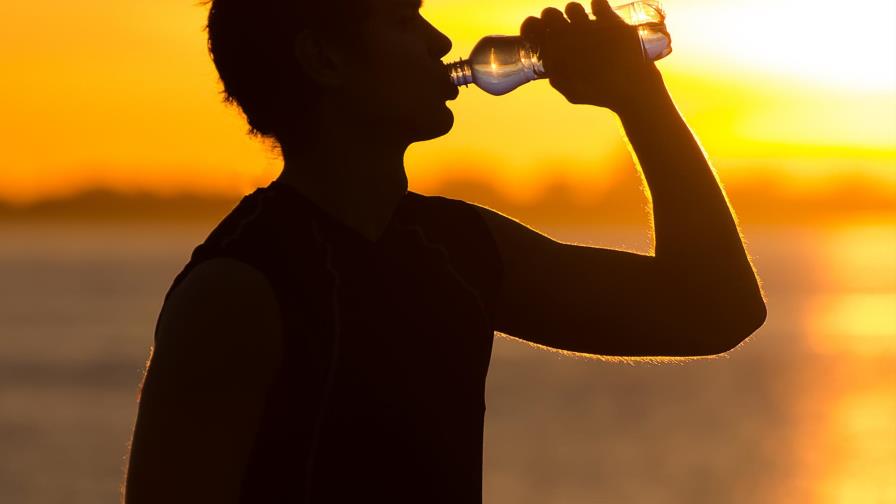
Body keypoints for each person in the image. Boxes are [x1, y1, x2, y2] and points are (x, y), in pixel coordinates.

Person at [124, 0, 767, 502]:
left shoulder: (456, 251)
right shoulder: (240, 289)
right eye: (405, 21)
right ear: (326, 59)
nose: (438, 43)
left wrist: (637, 96)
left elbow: (715, 310)